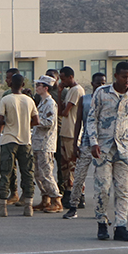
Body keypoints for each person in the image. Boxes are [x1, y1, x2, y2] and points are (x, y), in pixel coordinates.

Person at [87, 61, 128, 241]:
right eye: (124, 76)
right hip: (103, 148)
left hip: (124, 149)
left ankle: (120, 226)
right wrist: (93, 142)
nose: (127, 80)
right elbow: (92, 119)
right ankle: (102, 224)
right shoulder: (102, 93)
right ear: (116, 76)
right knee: (103, 188)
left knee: (123, 189)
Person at [0, 74, 39, 217]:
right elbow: (36, 120)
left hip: (9, 139)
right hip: (26, 140)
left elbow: (0, 119)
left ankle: (2, 206)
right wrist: (26, 124)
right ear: (23, 84)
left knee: (6, 172)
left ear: (10, 84)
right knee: (27, 173)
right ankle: (29, 206)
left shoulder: (6, 99)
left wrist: (9, 122)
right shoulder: (29, 100)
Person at [64, 72, 106, 219]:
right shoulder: (85, 100)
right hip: (87, 144)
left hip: (102, 145)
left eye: (103, 83)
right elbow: (78, 123)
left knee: (101, 179)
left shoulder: (108, 100)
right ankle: (73, 205)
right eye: (98, 83)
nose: (100, 85)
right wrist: (75, 143)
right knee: (79, 176)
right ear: (92, 84)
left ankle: (100, 208)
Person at [30, 75, 62, 213]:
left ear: (46, 88)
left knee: (46, 173)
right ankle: (45, 198)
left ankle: (56, 199)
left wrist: (36, 121)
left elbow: (50, 122)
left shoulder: (50, 103)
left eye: (39, 86)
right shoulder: (41, 102)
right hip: (37, 142)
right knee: (38, 173)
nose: (36, 88)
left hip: (45, 144)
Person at [58, 66, 85, 205]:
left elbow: (65, 111)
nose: (62, 82)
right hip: (65, 131)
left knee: (72, 165)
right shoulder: (69, 91)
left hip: (71, 132)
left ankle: (78, 194)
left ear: (70, 77)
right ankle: (69, 191)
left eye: (63, 79)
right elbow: (60, 110)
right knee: (65, 166)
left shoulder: (76, 90)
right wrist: (59, 92)